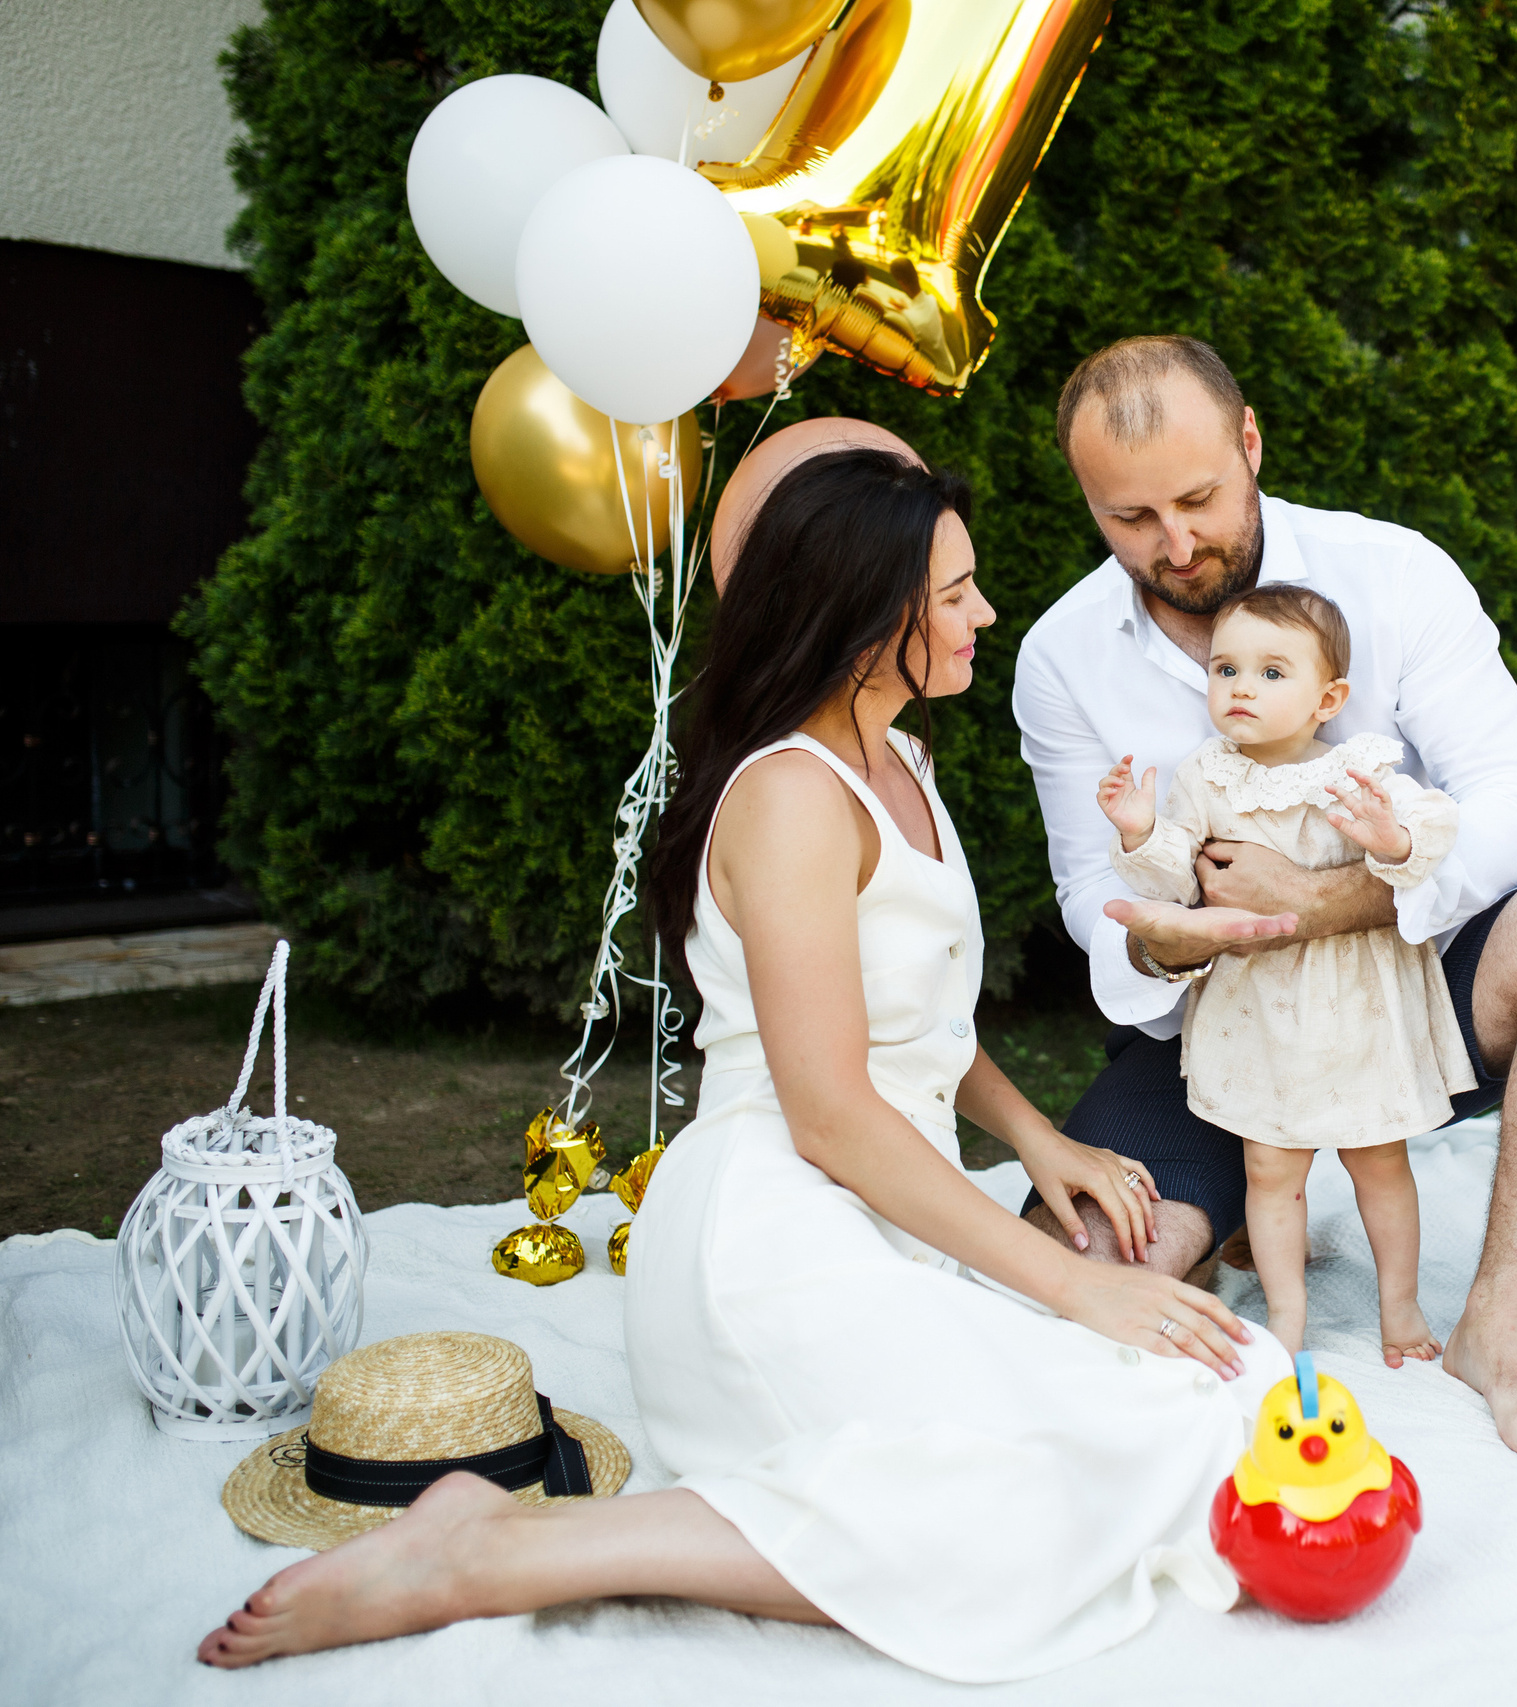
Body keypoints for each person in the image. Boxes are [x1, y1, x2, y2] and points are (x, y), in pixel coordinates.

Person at [199, 449, 1285, 1678]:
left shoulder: (902, 760)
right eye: (953, 595)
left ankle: (514, 1541)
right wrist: (1063, 1280)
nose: (982, 613)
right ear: (864, 621)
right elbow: (826, 1112)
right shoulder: (790, 799)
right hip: (773, 1231)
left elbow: (917, 1020)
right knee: (1023, 1504)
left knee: (1224, 1388)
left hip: (889, 1214)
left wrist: (1041, 1141)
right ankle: (496, 1552)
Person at [1014, 336, 1517, 1475]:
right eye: (1129, 519)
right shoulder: (1061, 655)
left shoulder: (1397, 574)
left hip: (1416, 996)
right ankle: (1217, 1233)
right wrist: (1163, 944)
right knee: (1070, 1290)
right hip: (1217, 1041)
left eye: (1200, 498)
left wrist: (1319, 901)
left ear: (1251, 443)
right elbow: (1088, 888)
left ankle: (1494, 1332)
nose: (1175, 545)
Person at [1100, 584, 1467, 1366]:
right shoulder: (1206, 775)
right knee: (1270, 1168)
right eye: (1226, 668)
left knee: (1379, 1159)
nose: (1240, 687)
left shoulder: (1355, 767)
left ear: (1326, 697)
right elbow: (1175, 878)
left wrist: (1390, 837)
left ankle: (1398, 1307)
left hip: (1355, 1004)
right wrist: (1140, 831)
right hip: (1260, 1007)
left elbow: (1433, 830)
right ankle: (1287, 1310)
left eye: (1272, 672)